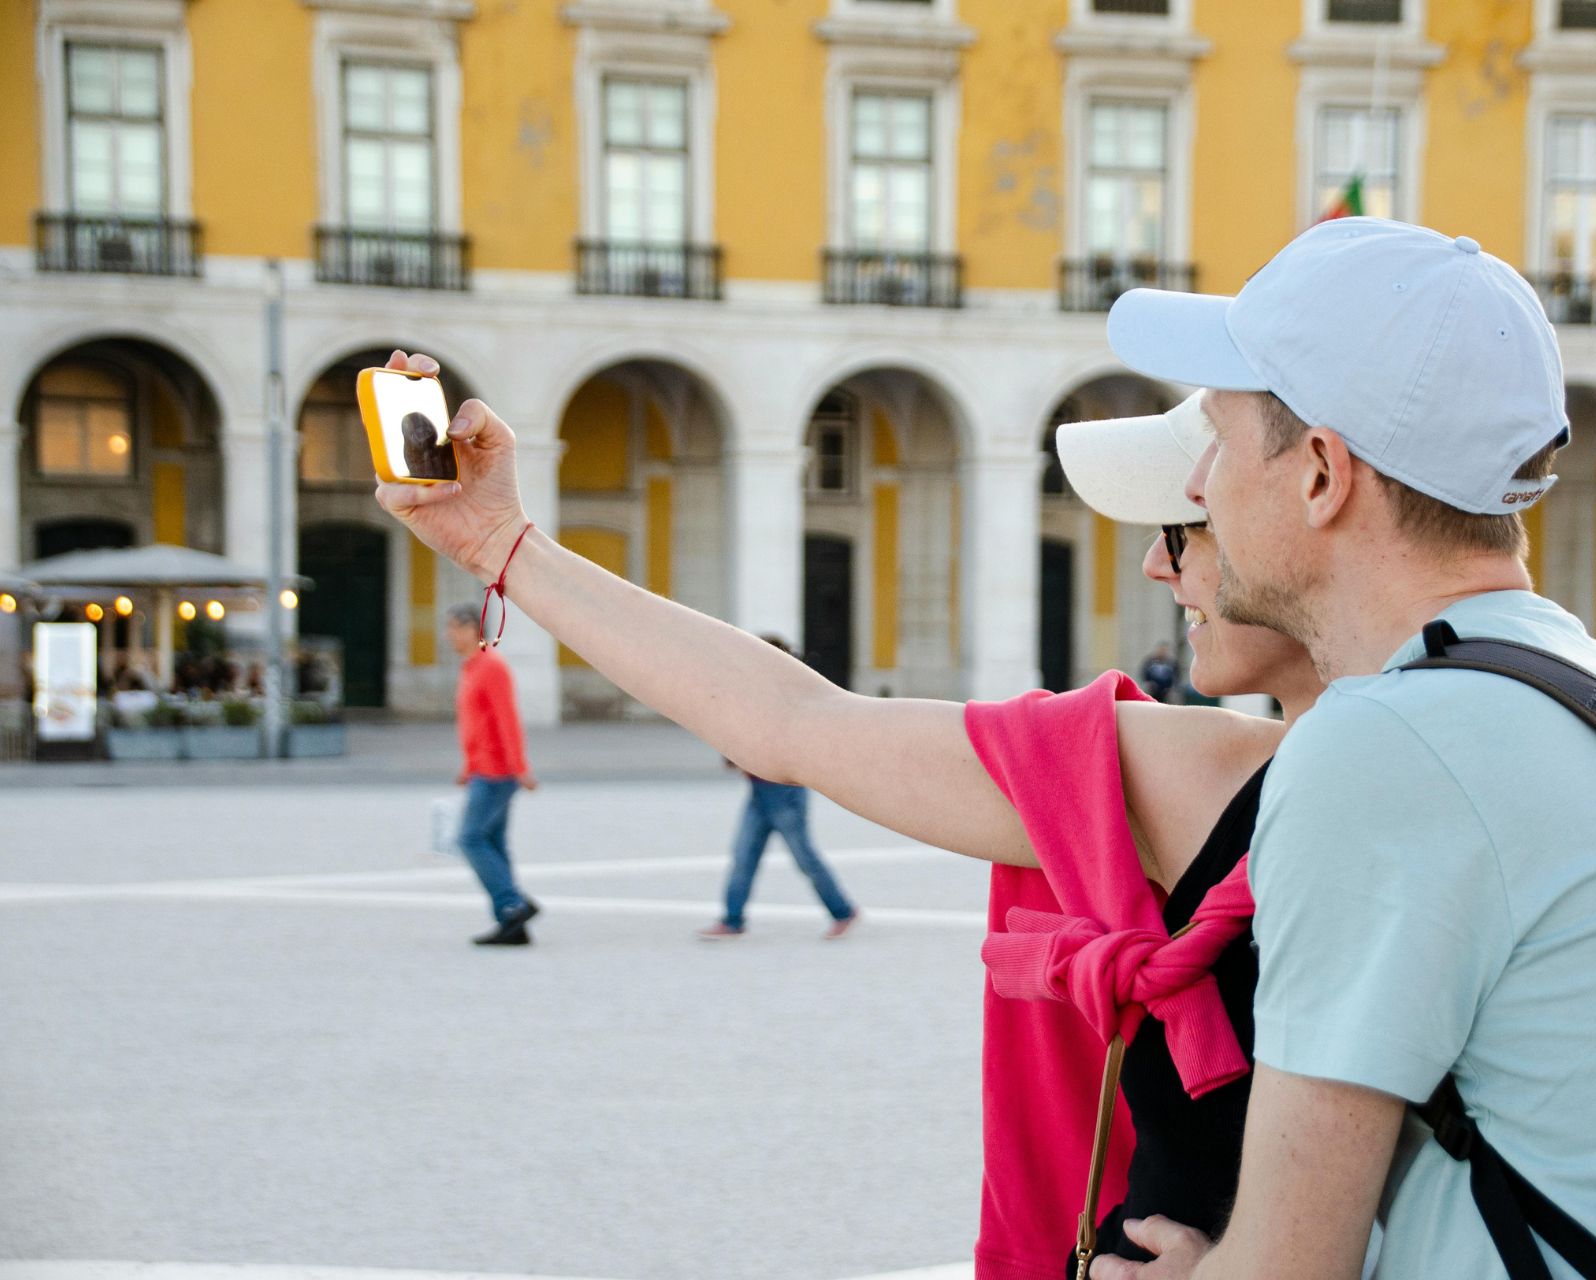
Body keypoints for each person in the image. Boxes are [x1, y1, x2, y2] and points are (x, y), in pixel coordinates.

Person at [372, 360, 1319, 1276]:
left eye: (1189, 522)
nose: (1158, 561)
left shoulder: (1215, 782)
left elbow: (793, 724)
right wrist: (502, 548)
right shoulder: (1224, 775)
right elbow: (790, 720)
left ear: (1325, 492)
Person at [1081, 218, 1596, 1278]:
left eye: (1219, 438)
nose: (1196, 486)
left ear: (1322, 472)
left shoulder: (1384, 748)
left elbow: (1284, 1267)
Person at [697, 635, 860, 941]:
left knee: (803, 856)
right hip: (760, 788)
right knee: (744, 854)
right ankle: (732, 919)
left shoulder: (787, 695)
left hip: (784, 790)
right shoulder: (756, 692)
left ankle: (842, 911)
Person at [445, 602, 541, 947]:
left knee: (470, 839)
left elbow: (507, 721)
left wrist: (520, 767)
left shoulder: (491, 668)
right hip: (482, 769)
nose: (449, 635)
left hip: (497, 770)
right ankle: (512, 923)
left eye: (454, 628)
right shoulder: (470, 668)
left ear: (473, 629)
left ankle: (512, 904)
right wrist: (467, 767)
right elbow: (476, 725)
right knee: (494, 843)